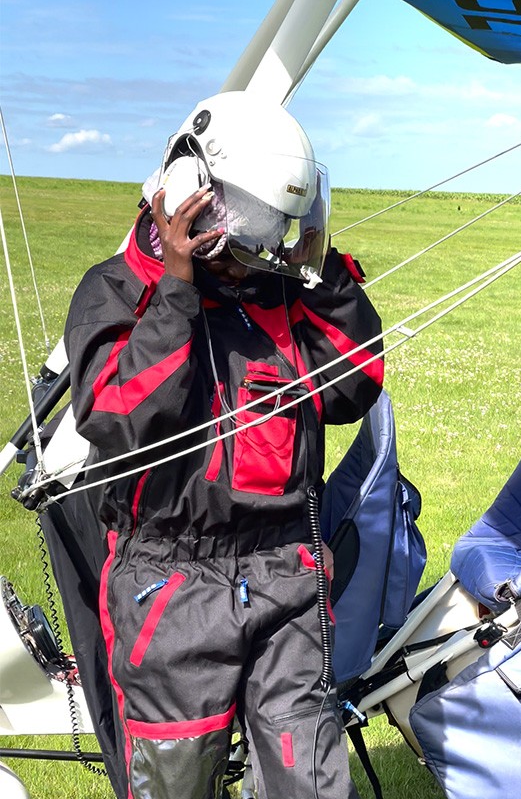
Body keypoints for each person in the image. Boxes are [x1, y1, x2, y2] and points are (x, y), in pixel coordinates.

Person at [65, 90, 384, 799]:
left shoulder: (279, 291)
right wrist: (178, 288)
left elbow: (352, 387)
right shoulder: (118, 290)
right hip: (172, 587)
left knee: (312, 781)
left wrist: (320, 269)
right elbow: (120, 417)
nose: (253, 257)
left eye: (271, 231)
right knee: (175, 784)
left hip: (287, 573)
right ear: (185, 195)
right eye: (243, 231)